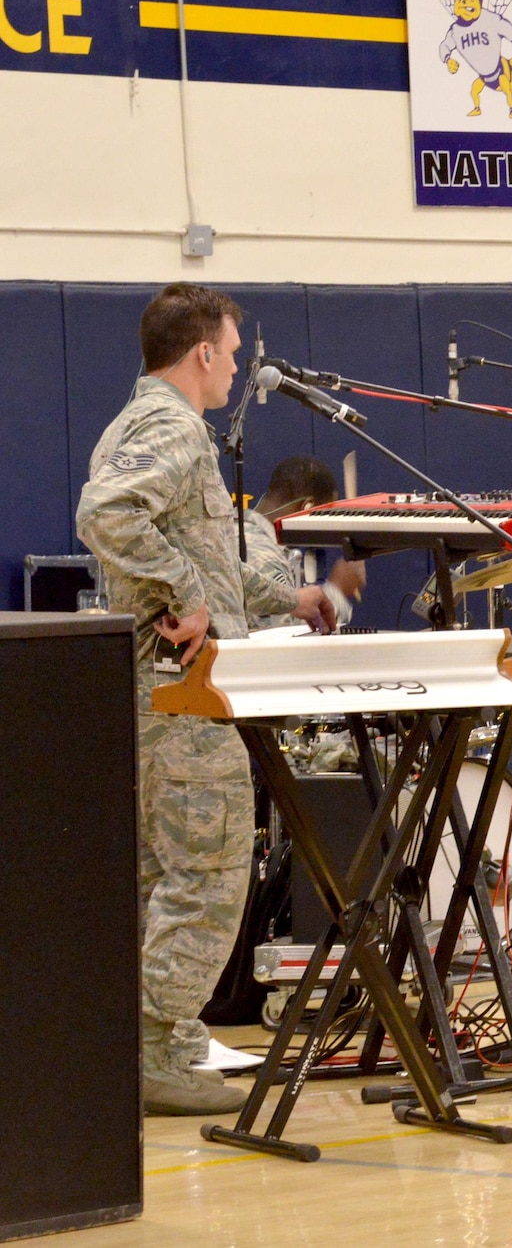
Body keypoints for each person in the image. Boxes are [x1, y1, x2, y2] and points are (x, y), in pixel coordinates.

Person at [74, 284, 335, 1115]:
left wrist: (238, 592)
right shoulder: (171, 426)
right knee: (210, 869)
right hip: (182, 693)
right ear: (203, 354)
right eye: (229, 350)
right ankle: (154, 1044)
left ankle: (165, 1041)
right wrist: (187, 591)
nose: (234, 366)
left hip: (163, 690)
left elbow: (188, 545)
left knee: (165, 876)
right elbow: (108, 513)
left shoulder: (142, 421)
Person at [240, 456, 364, 631]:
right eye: (324, 514)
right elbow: (287, 637)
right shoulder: (264, 558)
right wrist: (338, 589)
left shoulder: (238, 534)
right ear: (308, 506)